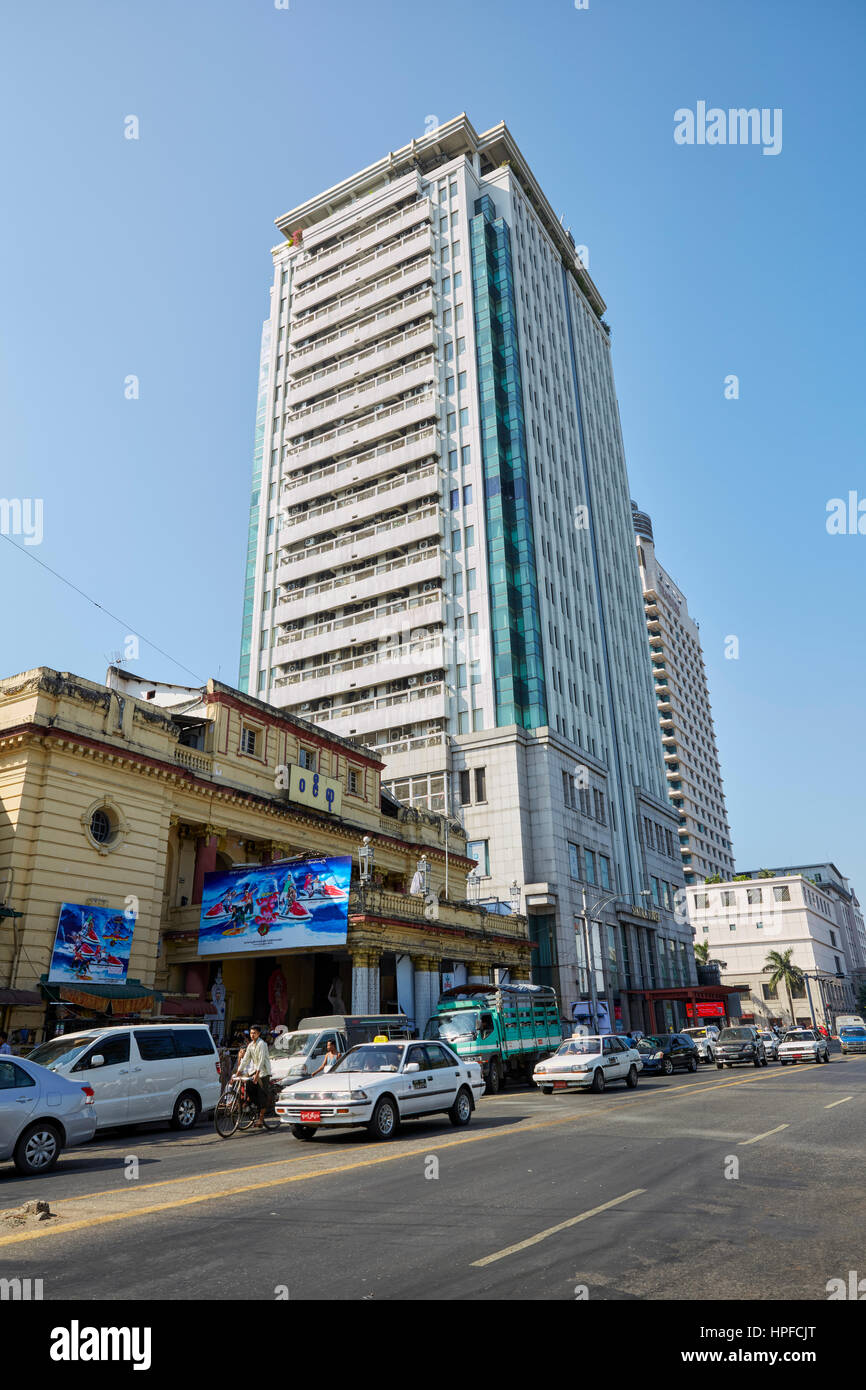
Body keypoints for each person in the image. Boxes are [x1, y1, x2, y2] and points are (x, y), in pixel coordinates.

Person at [236, 1025, 271, 1128]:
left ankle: (260, 1119)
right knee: (248, 1087)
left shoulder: (262, 1044)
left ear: (259, 1034)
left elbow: (261, 1060)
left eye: (254, 1033)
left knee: (262, 1095)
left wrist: (257, 1074)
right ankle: (253, 1106)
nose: (252, 1035)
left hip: (263, 1072)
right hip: (254, 1072)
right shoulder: (250, 1045)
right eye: (251, 1033)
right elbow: (246, 1059)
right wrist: (238, 1072)